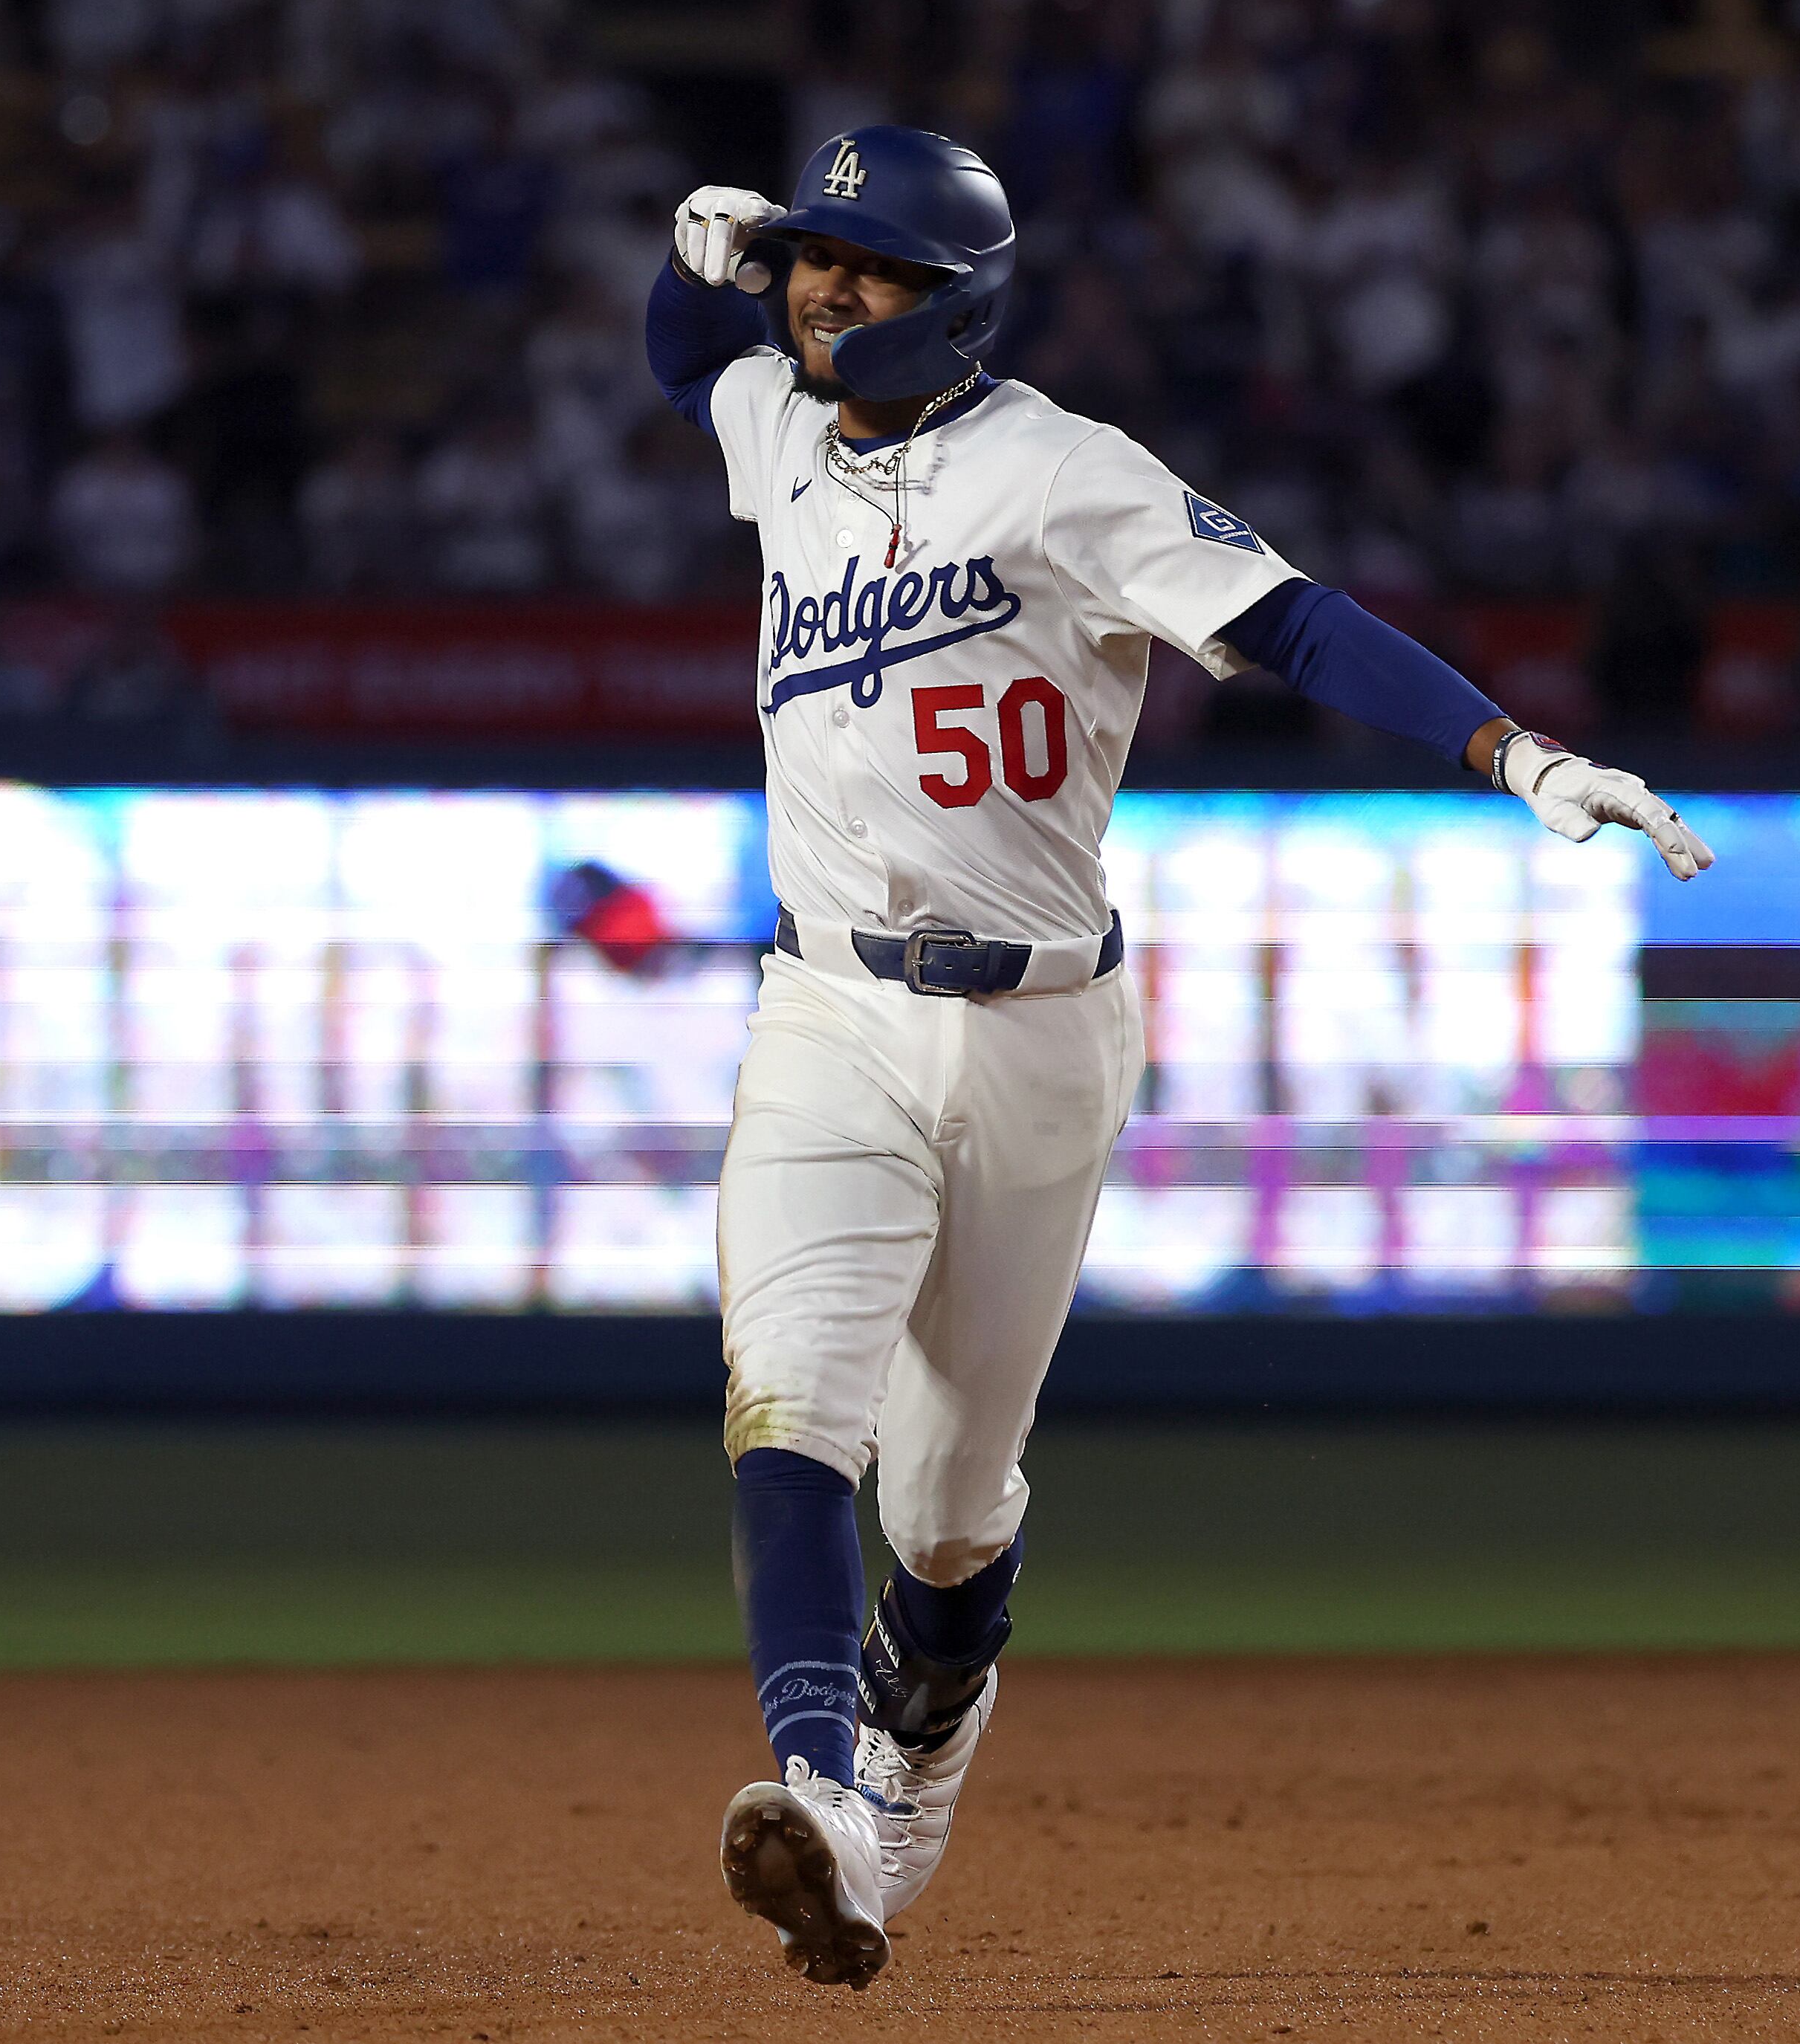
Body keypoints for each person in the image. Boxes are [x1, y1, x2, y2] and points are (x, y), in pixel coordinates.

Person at [646, 127, 1715, 1993]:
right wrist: (706, 255)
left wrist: (1515, 752)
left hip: (1042, 1028)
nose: (826, 289)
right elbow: (686, 360)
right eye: (816, 258)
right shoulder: (782, 436)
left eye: (869, 267)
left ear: (960, 300)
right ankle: (820, 1794)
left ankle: (909, 1775)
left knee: (953, 1505)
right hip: (821, 1004)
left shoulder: (1063, 470)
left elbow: (1294, 616)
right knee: (793, 1396)